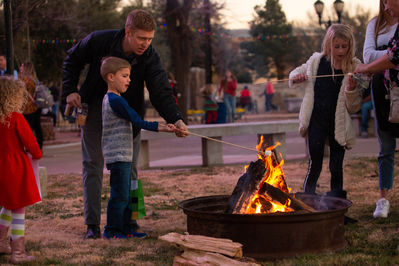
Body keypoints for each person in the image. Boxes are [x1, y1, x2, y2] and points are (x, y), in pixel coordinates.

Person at [62, 9, 188, 239]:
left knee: (130, 170)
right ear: (128, 32)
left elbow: (160, 89)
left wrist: (175, 119)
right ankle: (92, 225)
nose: (145, 44)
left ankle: (130, 222)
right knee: (93, 165)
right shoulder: (99, 40)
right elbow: (72, 58)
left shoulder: (149, 56)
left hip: (129, 114)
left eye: (150, 39)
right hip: (95, 110)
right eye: (141, 38)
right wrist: (70, 89)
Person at [289, 24, 362, 222]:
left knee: (336, 166)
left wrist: (352, 89)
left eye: (343, 47)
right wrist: (297, 78)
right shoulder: (316, 62)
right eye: (336, 46)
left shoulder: (354, 67)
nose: (339, 51)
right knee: (315, 163)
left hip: (338, 123)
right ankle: (306, 206)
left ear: (350, 46)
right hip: (316, 121)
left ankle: (338, 210)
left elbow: (354, 106)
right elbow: (294, 74)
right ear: (328, 45)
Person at [100, 57, 176, 239]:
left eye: (129, 76)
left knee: (126, 193)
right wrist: (162, 127)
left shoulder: (113, 98)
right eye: (124, 76)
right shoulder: (115, 100)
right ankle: (112, 231)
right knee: (120, 195)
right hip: (118, 155)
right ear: (111, 77)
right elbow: (137, 120)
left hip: (122, 154)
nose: (129, 80)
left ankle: (127, 229)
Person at [355, 0, 399, 219]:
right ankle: (383, 199)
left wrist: (384, 56)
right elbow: (367, 55)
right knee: (386, 145)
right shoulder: (374, 24)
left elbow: (388, 56)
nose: (384, 4)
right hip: (381, 89)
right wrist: (388, 57)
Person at [0, 76, 42, 263]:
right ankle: (18, 252)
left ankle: (1, 242)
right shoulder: (16, 118)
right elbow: (31, 143)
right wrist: (36, 153)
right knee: (18, 210)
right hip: (15, 168)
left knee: (8, 204)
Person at [20, 62, 44, 150]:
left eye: (22, 67)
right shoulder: (35, 79)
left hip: (28, 108)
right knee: (37, 127)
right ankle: (39, 146)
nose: (20, 68)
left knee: (28, 128)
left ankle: (29, 147)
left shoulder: (24, 80)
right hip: (37, 105)